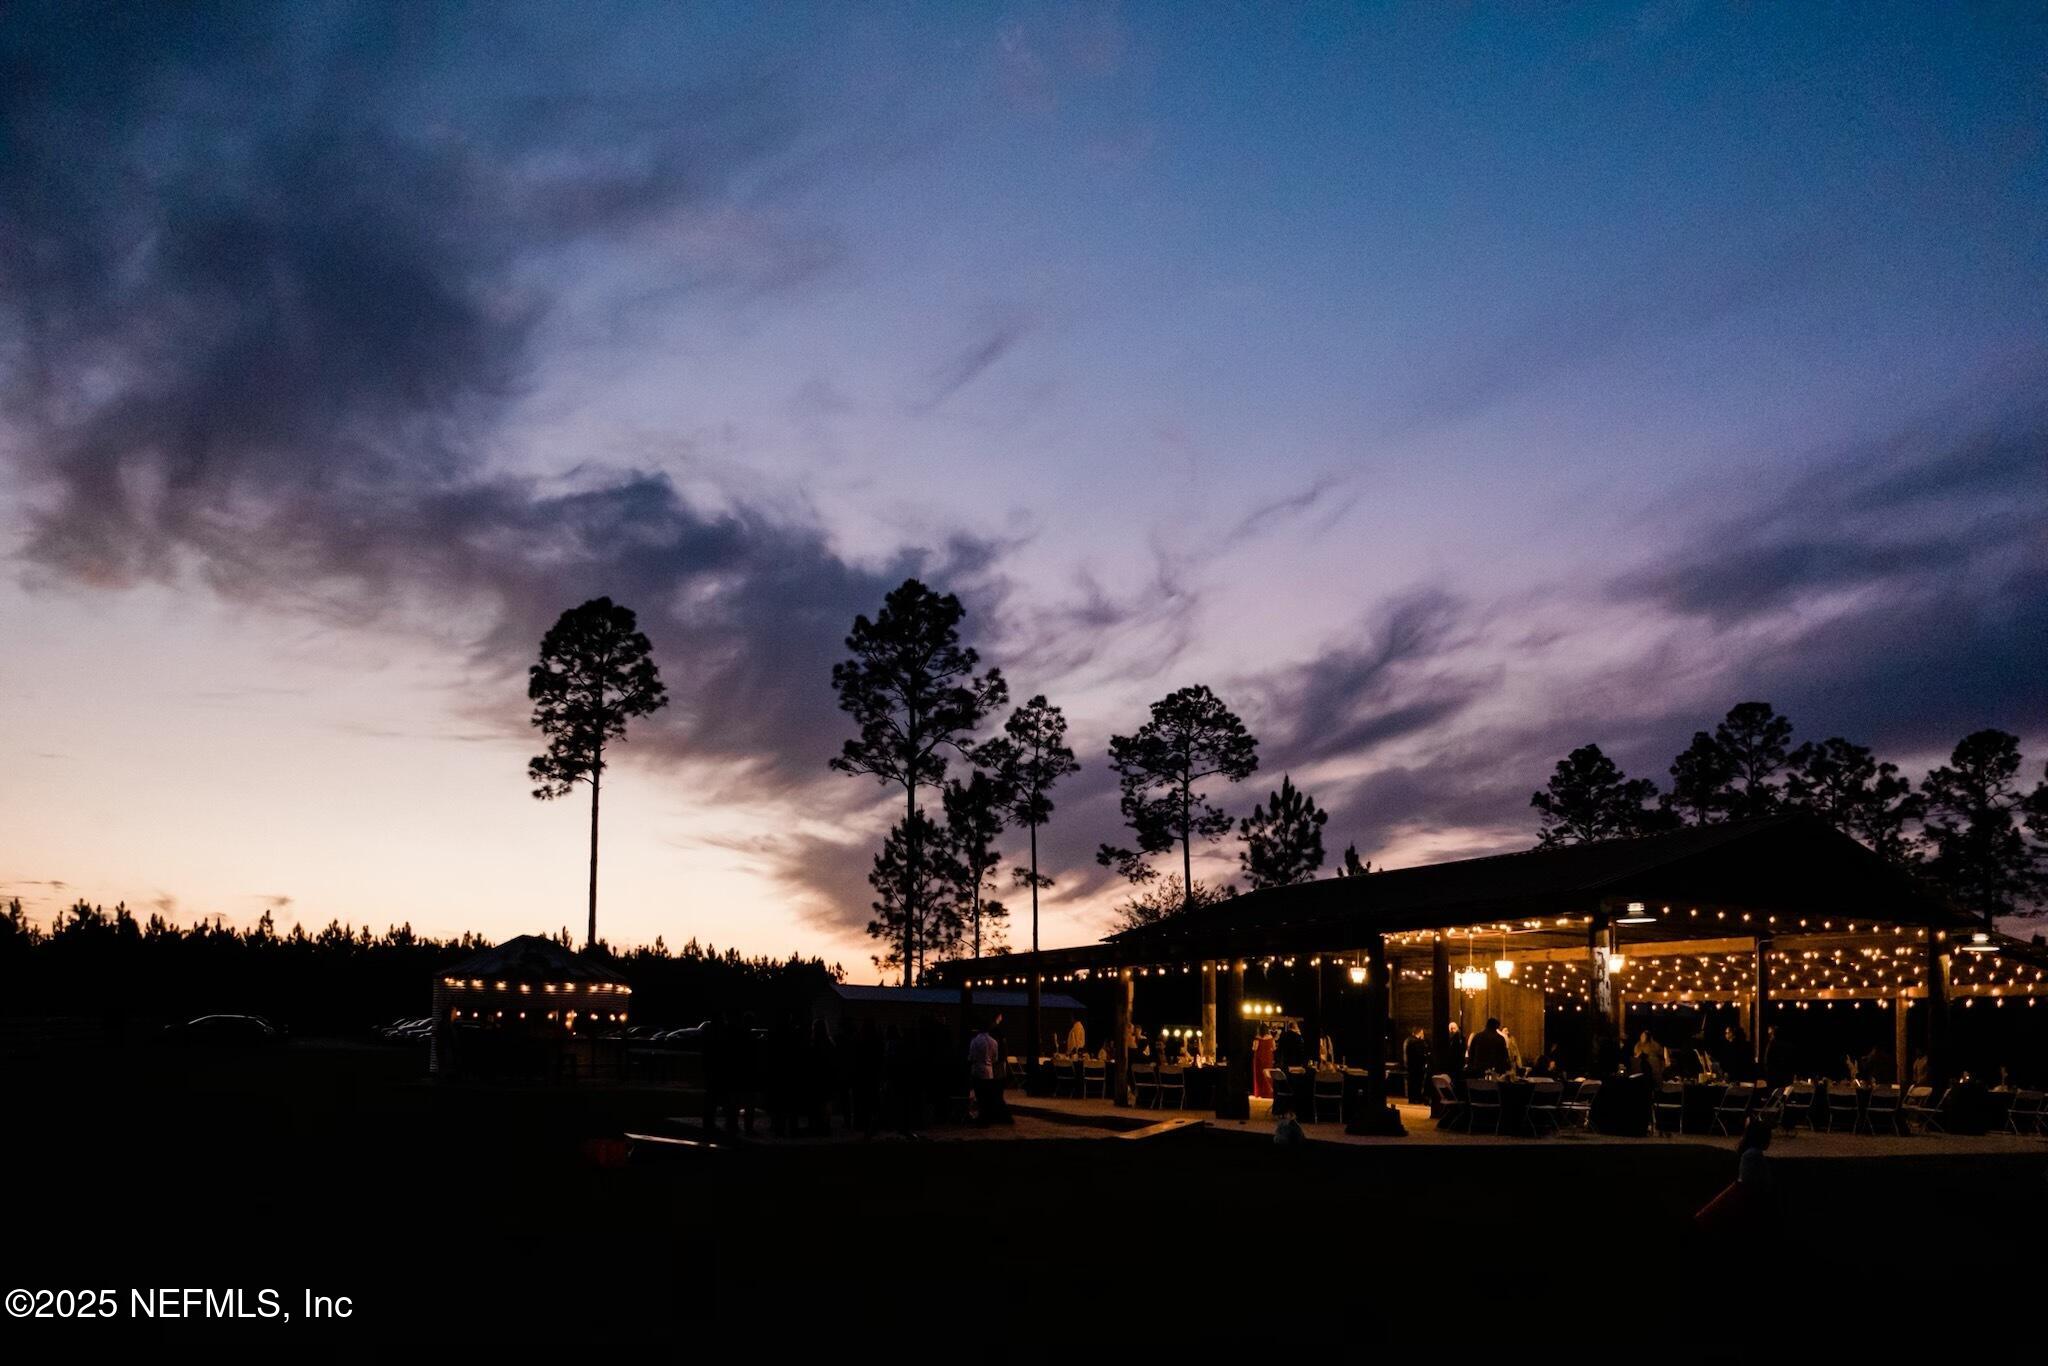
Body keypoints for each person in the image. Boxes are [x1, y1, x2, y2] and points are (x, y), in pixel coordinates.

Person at [967, 1020, 1005, 1125]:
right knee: (987, 1096)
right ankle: (987, 1117)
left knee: (979, 1095)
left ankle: (980, 1117)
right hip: (989, 1071)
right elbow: (995, 1059)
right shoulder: (994, 1042)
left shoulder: (974, 1041)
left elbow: (971, 1057)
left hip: (977, 1070)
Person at [1404, 1028, 1430, 1102]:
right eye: (1422, 1033)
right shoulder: (1417, 1042)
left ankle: (1411, 1098)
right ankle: (1417, 1098)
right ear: (1419, 1033)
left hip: (1409, 1066)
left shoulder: (1407, 1040)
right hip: (1417, 1067)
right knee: (1417, 1083)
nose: (1423, 1034)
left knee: (1411, 1083)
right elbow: (1420, 1055)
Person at [1252, 1025, 1276, 1098]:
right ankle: (1268, 1093)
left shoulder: (1257, 1038)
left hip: (1259, 1058)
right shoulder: (1271, 1038)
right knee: (1268, 1074)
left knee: (1259, 1075)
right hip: (1268, 1058)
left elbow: (1254, 1048)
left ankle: (1259, 1093)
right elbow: (1274, 1048)